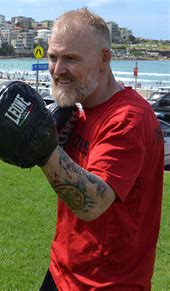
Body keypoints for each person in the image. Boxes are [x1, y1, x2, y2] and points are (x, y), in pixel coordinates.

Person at [38, 8, 163, 290]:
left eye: (70, 58)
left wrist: (42, 148)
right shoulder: (78, 109)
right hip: (61, 270)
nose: (57, 70)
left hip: (107, 284)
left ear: (104, 58)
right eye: (53, 57)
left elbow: (91, 203)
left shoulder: (128, 120)